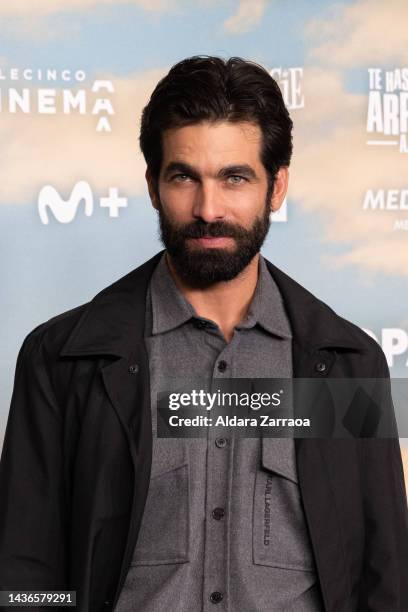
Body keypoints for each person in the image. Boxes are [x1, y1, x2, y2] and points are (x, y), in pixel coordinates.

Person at [0, 55, 407, 612]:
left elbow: (385, 576)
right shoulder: (62, 359)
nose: (207, 208)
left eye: (234, 178)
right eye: (183, 176)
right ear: (151, 184)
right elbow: (26, 569)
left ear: (277, 186)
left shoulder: (346, 363)